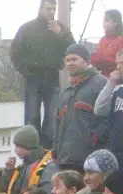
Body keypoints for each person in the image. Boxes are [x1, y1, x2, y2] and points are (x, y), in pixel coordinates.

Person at [10, 0, 75, 148]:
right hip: (32, 76)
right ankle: (30, 148)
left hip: (52, 75)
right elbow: (14, 52)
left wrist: (60, 33)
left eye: (54, 9)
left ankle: (47, 149)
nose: (51, 12)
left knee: (52, 116)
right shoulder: (27, 29)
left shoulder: (61, 28)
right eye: (48, 9)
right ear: (40, 9)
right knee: (32, 116)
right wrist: (24, 69)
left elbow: (73, 48)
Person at [55, 44, 109, 172]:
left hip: (91, 161)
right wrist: (56, 150)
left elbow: (108, 121)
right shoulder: (66, 91)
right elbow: (57, 125)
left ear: (86, 60)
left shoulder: (101, 84)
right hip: (64, 161)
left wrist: (95, 142)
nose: (70, 63)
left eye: (74, 59)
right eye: (67, 60)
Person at [4, 125, 58, 194]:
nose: (15, 149)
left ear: (26, 146)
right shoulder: (23, 167)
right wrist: (9, 171)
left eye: (17, 146)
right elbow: (12, 193)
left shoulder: (47, 166)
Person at [95, 49, 123, 163]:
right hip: (116, 154)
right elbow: (99, 109)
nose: (118, 67)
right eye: (117, 63)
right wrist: (111, 83)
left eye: (122, 63)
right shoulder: (118, 89)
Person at [91, 10, 123, 77]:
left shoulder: (120, 40)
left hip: (117, 77)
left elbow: (119, 61)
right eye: (103, 20)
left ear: (115, 23)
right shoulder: (102, 40)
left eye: (107, 20)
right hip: (103, 77)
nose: (103, 23)